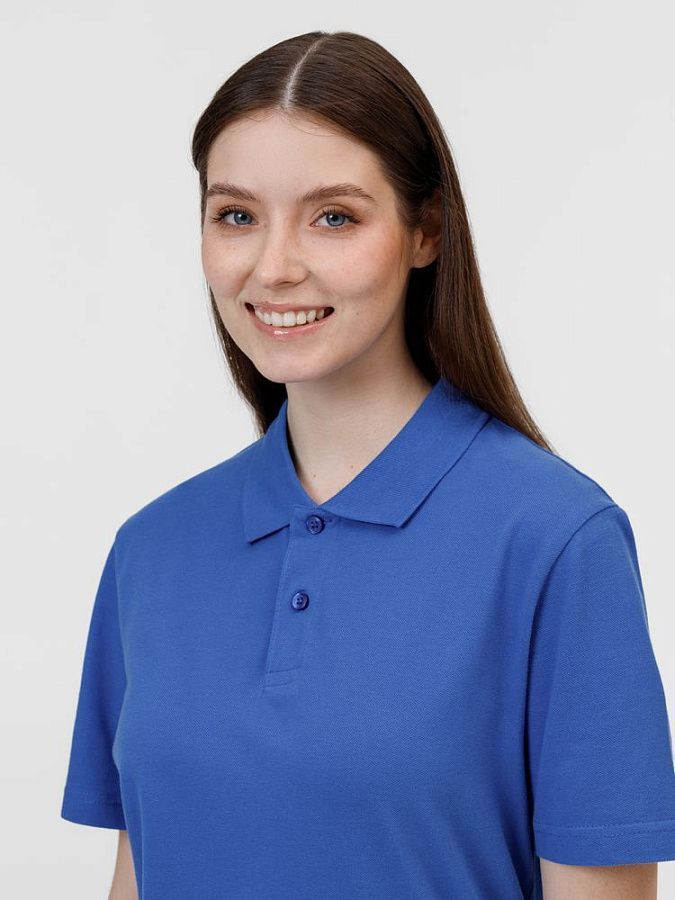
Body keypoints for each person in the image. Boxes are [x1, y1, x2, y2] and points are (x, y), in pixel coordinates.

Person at [60, 30, 675, 900]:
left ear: (425, 231)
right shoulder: (151, 549)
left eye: (334, 217)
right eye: (236, 216)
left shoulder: (555, 541)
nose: (274, 267)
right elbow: (142, 869)